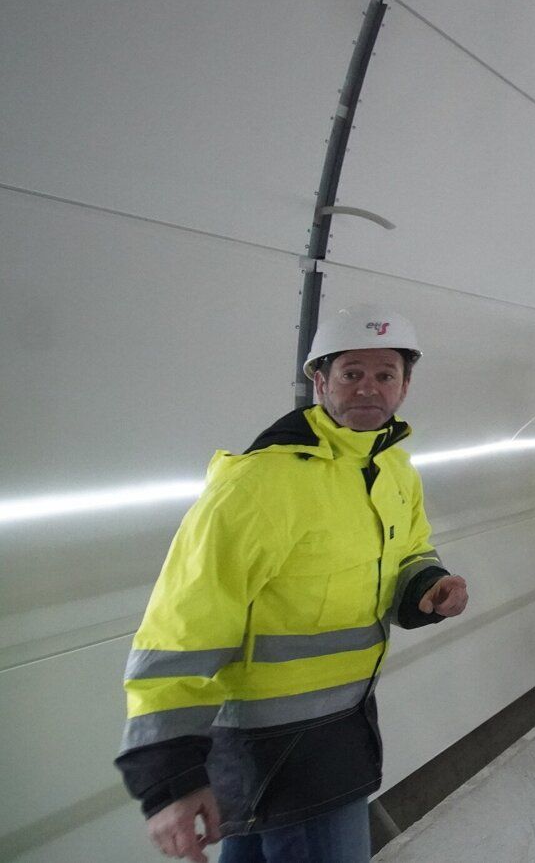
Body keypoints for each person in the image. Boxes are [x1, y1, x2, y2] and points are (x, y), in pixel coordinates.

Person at [116, 305, 468, 863]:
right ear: (320, 380)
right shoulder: (262, 483)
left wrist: (429, 584)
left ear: (405, 386)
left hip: (343, 727)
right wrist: (169, 779)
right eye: (352, 373)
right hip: (276, 748)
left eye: (385, 375)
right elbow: (180, 633)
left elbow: (408, 551)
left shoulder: (395, 471)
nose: (368, 389)